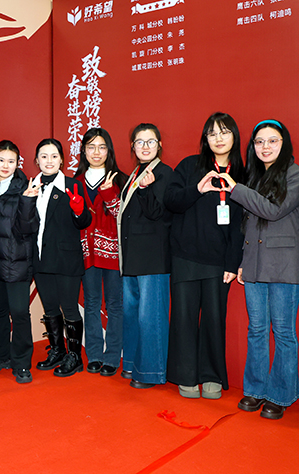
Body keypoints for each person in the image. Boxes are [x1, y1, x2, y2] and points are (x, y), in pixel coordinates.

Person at [222, 120, 299, 419]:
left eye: (272, 141)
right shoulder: (253, 177)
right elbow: (248, 224)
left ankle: (281, 394)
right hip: (255, 263)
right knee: (256, 329)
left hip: (285, 265)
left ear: (284, 144)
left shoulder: (297, 175)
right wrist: (243, 261)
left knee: (283, 332)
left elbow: (273, 210)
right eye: (259, 142)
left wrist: (237, 189)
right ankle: (255, 389)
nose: (265, 147)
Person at [166, 112, 245, 400]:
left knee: (214, 320)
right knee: (184, 319)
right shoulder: (190, 166)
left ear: (234, 136)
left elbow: (241, 225)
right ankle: (186, 376)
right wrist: (197, 189)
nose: (218, 138)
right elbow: (171, 200)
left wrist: (232, 263)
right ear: (205, 139)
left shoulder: (243, 174)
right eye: (212, 133)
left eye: (224, 132)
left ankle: (211, 375)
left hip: (219, 262)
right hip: (185, 257)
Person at [23, 139, 91, 377]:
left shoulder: (73, 185)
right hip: (41, 258)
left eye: (54, 156)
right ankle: (57, 350)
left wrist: (79, 209)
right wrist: (27, 200)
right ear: (36, 160)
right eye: (44, 156)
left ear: (62, 160)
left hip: (66, 259)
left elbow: (84, 222)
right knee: (50, 307)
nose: (49, 161)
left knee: (69, 308)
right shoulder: (31, 186)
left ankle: (75, 357)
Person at [117, 123, 173, 388]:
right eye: (139, 142)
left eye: (151, 141)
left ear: (159, 145)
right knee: (132, 315)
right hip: (132, 257)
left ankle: (151, 372)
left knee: (150, 317)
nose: (145, 147)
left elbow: (157, 213)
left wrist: (146, 188)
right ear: (133, 147)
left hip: (152, 259)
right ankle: (131, 364)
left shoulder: (163, 173)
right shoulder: (136, 173)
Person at [0, 140, 37, 384]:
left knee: (20, 312)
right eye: (1, 160)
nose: (5, 165)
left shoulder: (24, 187)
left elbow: (28, 228)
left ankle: (21, 363)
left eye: (11, 161)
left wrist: (28, 201)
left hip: (16, 260)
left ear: (17, 163)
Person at [74, 128, 128, 376]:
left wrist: (109, 194)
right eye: (91, 147)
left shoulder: (121, 180)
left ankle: (112, 356)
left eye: (102, 147)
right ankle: (94, 355)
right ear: (84, 151)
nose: (96, 152)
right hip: (87, 253)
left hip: (114, 254)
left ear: (109, 150)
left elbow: (123, 217)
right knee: (91, 303)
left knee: (115, 305)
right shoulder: (75, 182)